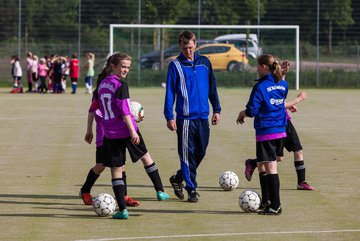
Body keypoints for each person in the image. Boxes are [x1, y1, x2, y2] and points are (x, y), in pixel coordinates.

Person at [90, 52, 169, 219]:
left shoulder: (102, 85)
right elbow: (126, 110)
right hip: (126, 130)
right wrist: (133, 131)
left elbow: (98, 109)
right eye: (123, 67)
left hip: (110, 132)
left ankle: (122, 210)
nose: (126, 70)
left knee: (116, 170)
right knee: (146, 157)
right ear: (113, 66)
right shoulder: (121, 85)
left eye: (128, 67)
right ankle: (160, 191)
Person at [164, 30, 221, 203]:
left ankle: (177, 178)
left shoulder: (205, 63)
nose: (188, 50)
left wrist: (216, 110)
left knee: (200, 152)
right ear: (180, 46)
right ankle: (192, 188)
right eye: (184, 47)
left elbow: (212, 87)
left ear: (195, 45)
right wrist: (169, 116)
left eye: (190, 47)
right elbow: (170, 93)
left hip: (203, 117)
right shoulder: (175, 66)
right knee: (187, 155)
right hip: (185, 119)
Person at [236, 54, 288, 215]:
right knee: (264, 164)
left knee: (270, 167)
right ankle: (268, 201)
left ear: (264, 67)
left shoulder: (260, 87)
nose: (256, 68)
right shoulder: (283, 84)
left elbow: (252, 110)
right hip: (281, 130)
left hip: (267, 131)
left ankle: (276, 205)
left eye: (258, 66)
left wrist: (242, 114)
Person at [244, 92, 314, 191]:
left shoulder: (278, 84)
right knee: (278, 158)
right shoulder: (265, 85)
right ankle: (253, 163)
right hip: (275, 125)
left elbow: (278, 101)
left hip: (285, 121)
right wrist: (298, 99)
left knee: (298, 150)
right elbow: (271, 104)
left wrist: (288, 106)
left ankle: (301, 182)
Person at [80, 100, 141, 207]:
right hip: (104, 136)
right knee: (101, 165)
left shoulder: (117, 89)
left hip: (118, 135)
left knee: (121, 166)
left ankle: (124, 197)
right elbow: (94, 112)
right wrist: (89, 130)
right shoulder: (101, 92)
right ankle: (85, 190)